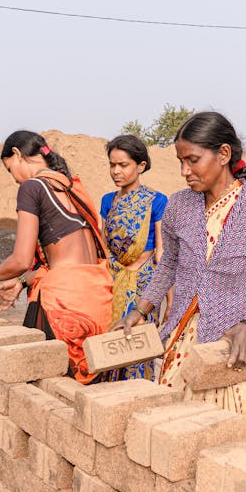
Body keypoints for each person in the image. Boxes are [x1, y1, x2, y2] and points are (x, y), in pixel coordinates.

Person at [117, 112, 246, 432]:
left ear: (223, 154)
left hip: (233, 350)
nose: (184, 171)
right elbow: (169, 265)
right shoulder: (179, 206)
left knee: (227, 443)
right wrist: (142, 307)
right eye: (180, 161)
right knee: (172, 435)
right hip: (182, 342)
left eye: (192, 160)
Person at [0, 131, 112, 384]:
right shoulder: (71, 186)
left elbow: (20, 259)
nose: (14, 178)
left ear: (17, 154)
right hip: (96, 298)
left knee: (43, 385)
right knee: (89, 390)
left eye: (10, 170)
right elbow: (69, 257)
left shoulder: (33, 187)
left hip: (64, 303)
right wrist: (22, 281)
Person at [99, 135, 168, 381]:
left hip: (145, 283)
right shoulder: (108, 201)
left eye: (123, 165)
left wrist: (169, 299)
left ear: (141, 166)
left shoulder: (157, 201)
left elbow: (163, 252)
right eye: (112, 165)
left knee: (137, 344)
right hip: (113, 279)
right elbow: (104, 245)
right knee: (109, 343)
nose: (116, 171)